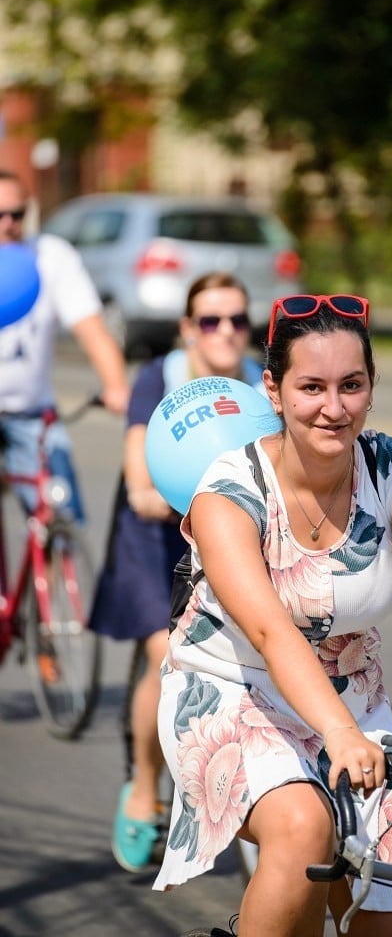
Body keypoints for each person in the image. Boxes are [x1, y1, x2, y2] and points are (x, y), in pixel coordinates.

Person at [152, 294, 392, 936]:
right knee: (305, 826)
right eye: (311, 386)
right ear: (274, 391)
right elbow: (270, 632)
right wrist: (337, 734)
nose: (333, 408)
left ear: (370, 388)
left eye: (351, 386)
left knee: (391, 929)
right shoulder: (227, 491)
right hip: (232, 691)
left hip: (355, 702)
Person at [89, 271, 265, 873]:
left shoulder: (257, 390)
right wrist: (176, 495)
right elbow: (140, 483)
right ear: (189, 328)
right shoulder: (157, 379)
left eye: (237, 319)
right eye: (211, 320)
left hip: (229, 537)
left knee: (251, 658)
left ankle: (251, 792)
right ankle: (143, 787)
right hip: (156, 536)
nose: (226, 332)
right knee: (167, 658)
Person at [0, 169, 129, 520]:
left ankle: (56, 568)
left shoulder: (51, 256)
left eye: (17, 213)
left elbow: (92, 329)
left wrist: (117, 387)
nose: (9, 223)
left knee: (59, 510)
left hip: (33, 412)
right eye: (0, 214)